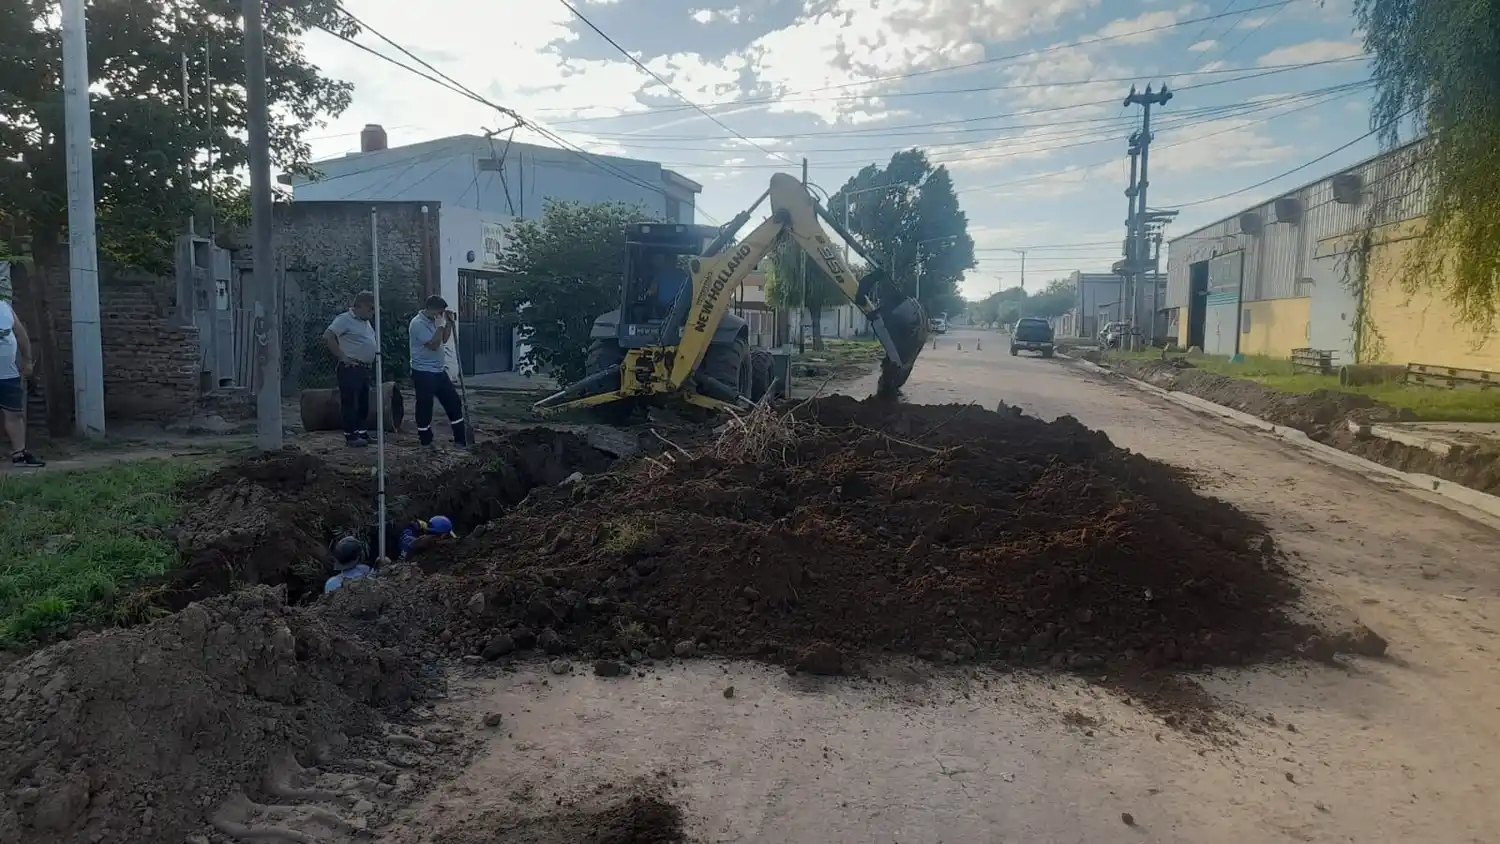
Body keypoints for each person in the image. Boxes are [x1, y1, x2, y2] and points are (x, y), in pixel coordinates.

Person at [408, 295, 468, 447]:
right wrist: (441, 325)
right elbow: (434, 345)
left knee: (453, 401)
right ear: (431, 310)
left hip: (439, 370)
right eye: (440, 312)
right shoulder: (417, 324)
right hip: (423, 371)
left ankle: (461, 439)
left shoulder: (436, 320)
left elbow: (444, 339)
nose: (441, 315)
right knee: (425, 405)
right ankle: (426, 441)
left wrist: (448, 323)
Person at [323, 291, 379, 448]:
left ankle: (362, 432)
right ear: (360, 305)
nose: (372, 312)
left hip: (364, 368)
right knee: (350, 402)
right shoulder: (344, 319)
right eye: (370, 308)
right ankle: (351, 435)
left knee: (363, 402)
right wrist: (342, 356)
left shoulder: (365, 322)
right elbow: (328, 336)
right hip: (350, 367)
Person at [0, 270, 44, 468]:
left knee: (14, 414)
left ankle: (19, 454)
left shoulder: (4, 308)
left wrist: (27, 361)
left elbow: (21, 335)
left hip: (7, 373)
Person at [645, 252, 690, 317]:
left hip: (663, 309)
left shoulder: (660, 273)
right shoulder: (683, 274)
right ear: (675, 261)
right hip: (680, 309)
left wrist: (646, 293)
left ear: (665, 261)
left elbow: (652, 291)